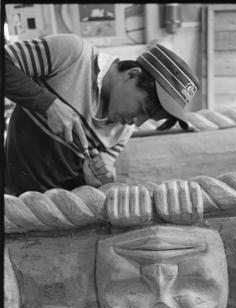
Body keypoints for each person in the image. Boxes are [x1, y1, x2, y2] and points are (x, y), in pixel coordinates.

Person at [4, 34, 199, 196]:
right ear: (132, 74)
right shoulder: (73, 55)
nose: (136, 123)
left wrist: (93, 181)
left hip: (54, 212)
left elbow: (80, 187)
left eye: (147, 119)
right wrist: (48, 104)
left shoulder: (122, 131)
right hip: (10, 192)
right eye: (142, 110)